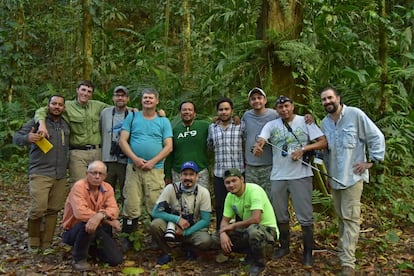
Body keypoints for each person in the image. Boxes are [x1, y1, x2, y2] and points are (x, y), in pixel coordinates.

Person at [254, 95, 327, 267]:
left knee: (305, 216)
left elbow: (323, 142)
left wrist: (303, 149)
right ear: (276, 109)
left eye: (287, 106)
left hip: (301, 175)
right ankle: (284, 246)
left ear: (292, 106)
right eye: (280, 107)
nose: (284, 110)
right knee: (280, 213)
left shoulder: (305, 121)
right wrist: (259, 145)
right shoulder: (271, 125)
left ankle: (308, 252)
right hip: (278, 175)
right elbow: (262, 138)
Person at [320, 87, 385, 276]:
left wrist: (371, 161)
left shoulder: (355, 115)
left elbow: (376, 136)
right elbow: (326, 153)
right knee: (341, 217)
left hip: (353, 177)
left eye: (330, 97)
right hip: (335, 178)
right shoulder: (325, 122)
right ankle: (343, 253)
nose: (327, 102)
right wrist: (326, 177)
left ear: (338, 98)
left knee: (350, 218)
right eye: (324, 99)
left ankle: (348, 263)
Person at [13, 95, 70, 252]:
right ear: (48, 105)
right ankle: (33, 241)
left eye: (60, 104)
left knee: (53, 209)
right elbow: (16, 138)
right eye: (54, 104)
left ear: (64, 108)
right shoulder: (37, 122)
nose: (57, 107)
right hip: (40, 171)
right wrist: (27, 137)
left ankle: (46, 244)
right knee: (38, 208)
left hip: (60, 174)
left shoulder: (66, 124)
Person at [119, 87, 173, 249]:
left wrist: (152, 161)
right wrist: (135, 159)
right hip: (134, 168)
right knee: (131, 203)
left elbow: (168, 146)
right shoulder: (132, 117)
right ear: (141, 101)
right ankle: (129, 238)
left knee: (156, 203)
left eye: (151, 98)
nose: (148, 100)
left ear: (156, 101)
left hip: (155, 169)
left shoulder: (163, 121)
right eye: (145, 98)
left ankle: (157, 238)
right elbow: (123, 141)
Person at [34, 80, 109, 185]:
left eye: (89, 91)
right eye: (83, 90)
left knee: (98, 185)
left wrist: (133, 110)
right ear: (77, 90)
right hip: (78, 153)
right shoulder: (67, 106)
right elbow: (42, 111)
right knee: (79, 185)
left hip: (97, 152)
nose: (85, 93)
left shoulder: (98, 106)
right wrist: (42, 125)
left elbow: (116, 110)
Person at [62, 160, 123, 271]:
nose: (97, 176)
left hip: (97, 228)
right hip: (74, 230)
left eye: (101, 174)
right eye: (93, 173)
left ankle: (91, 249)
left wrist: (100, 216)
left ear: (105, 176)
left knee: (116, 260)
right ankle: (79, 259)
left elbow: (114, 210)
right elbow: (80, 213)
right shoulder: (79, 187)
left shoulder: (108, 188)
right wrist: (107, 220)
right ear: (87, 174)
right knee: (87, 222)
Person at [217, 168, 278, 276]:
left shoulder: (254, 190)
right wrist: (222, 233)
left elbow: (256, 219)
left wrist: (233, 226)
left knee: (253, 230)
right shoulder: (230, 196)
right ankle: (249, 254)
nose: (231, 185)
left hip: (267, 233)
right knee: (216, 236)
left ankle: (259, 263)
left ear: (242, 179)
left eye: (234, 181)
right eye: (227, 182)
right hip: (249, 231)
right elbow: (224, 221)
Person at [150, 161, 212, 265]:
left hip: (191, 229)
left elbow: (206, 220)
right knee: (155, 225)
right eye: (185, 174)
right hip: (172, 227)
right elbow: (155, 212)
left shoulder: (203, 192)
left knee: (206, 240)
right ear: (180, 176)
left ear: (197, 176)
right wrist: (177, 219)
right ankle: (167, 253)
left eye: (191, 174)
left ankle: (189, 248)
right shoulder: (170, 188)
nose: (188, 177)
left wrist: (185, 232)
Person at [207, 97, 244, 231]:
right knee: (221, 206)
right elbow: (209, 145)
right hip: (219, 174)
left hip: (238, 172)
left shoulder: (240, 125)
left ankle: (240, 236)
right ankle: (221, 234)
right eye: (221, 110)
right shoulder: (212, 127)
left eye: (226, 109)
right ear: (217, 112)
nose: (224, 112)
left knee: (241, 206)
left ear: (232, 111)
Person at [242, 87, 279, 199]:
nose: (257, 101)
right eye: (253, 99)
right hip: (251, 166)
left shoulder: (274, 115)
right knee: (252, 197)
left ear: (265, 100)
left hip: (269, 165)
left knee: (270, 197)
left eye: (259, 98)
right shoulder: (246, 116)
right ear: (250, 102)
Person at [164, 101, 210, 189]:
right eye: (184, 110)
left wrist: (235, 118)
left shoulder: (204, 126)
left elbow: (220, 124)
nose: (187, 112)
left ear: (195, 113)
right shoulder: (174, 130)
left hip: (200, 172)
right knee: (179, 201)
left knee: (202, 200)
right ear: (180, 113)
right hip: (178, 172)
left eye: (190, 110)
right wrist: (167, 175)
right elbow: (169, 153)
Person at [100, 85, 131, 204]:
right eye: (117, 95)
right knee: (105, 193)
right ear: (113, 98)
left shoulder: (133, 113)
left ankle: (126, 219)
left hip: (126, 160)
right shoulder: (105, 113)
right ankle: (106, 218)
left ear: (127, 98)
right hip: (108, 159)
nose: (120, 98)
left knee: (127, 193)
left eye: (123, 96)